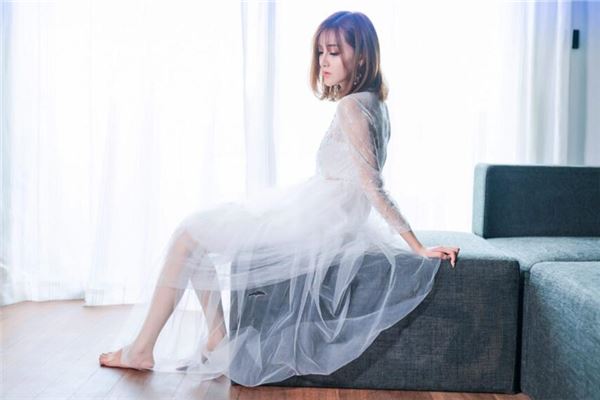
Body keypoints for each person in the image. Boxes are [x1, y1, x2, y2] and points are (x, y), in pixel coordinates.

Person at [99, 10, 459, 385]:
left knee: (190, 233)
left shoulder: (351, 106)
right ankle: (214, 337)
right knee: (196, 233)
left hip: (320, 224)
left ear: (363, 57)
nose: (323, 61)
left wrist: (417, 247)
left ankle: (145, 348)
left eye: (334, 52)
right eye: (320, 51)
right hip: (327, 215)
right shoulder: (374, 104)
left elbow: (373, 185)